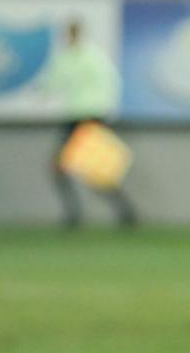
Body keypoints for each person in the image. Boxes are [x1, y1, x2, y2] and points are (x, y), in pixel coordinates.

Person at [45, 19, 136, 229]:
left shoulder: (91, 58)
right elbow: (54, 83)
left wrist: (102, 113)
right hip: (75, 118)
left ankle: (121, 212)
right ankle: (80, 214)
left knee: (93, 169)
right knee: (66, 168)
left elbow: (108, 84)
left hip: (89, 118)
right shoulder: (68, 58)